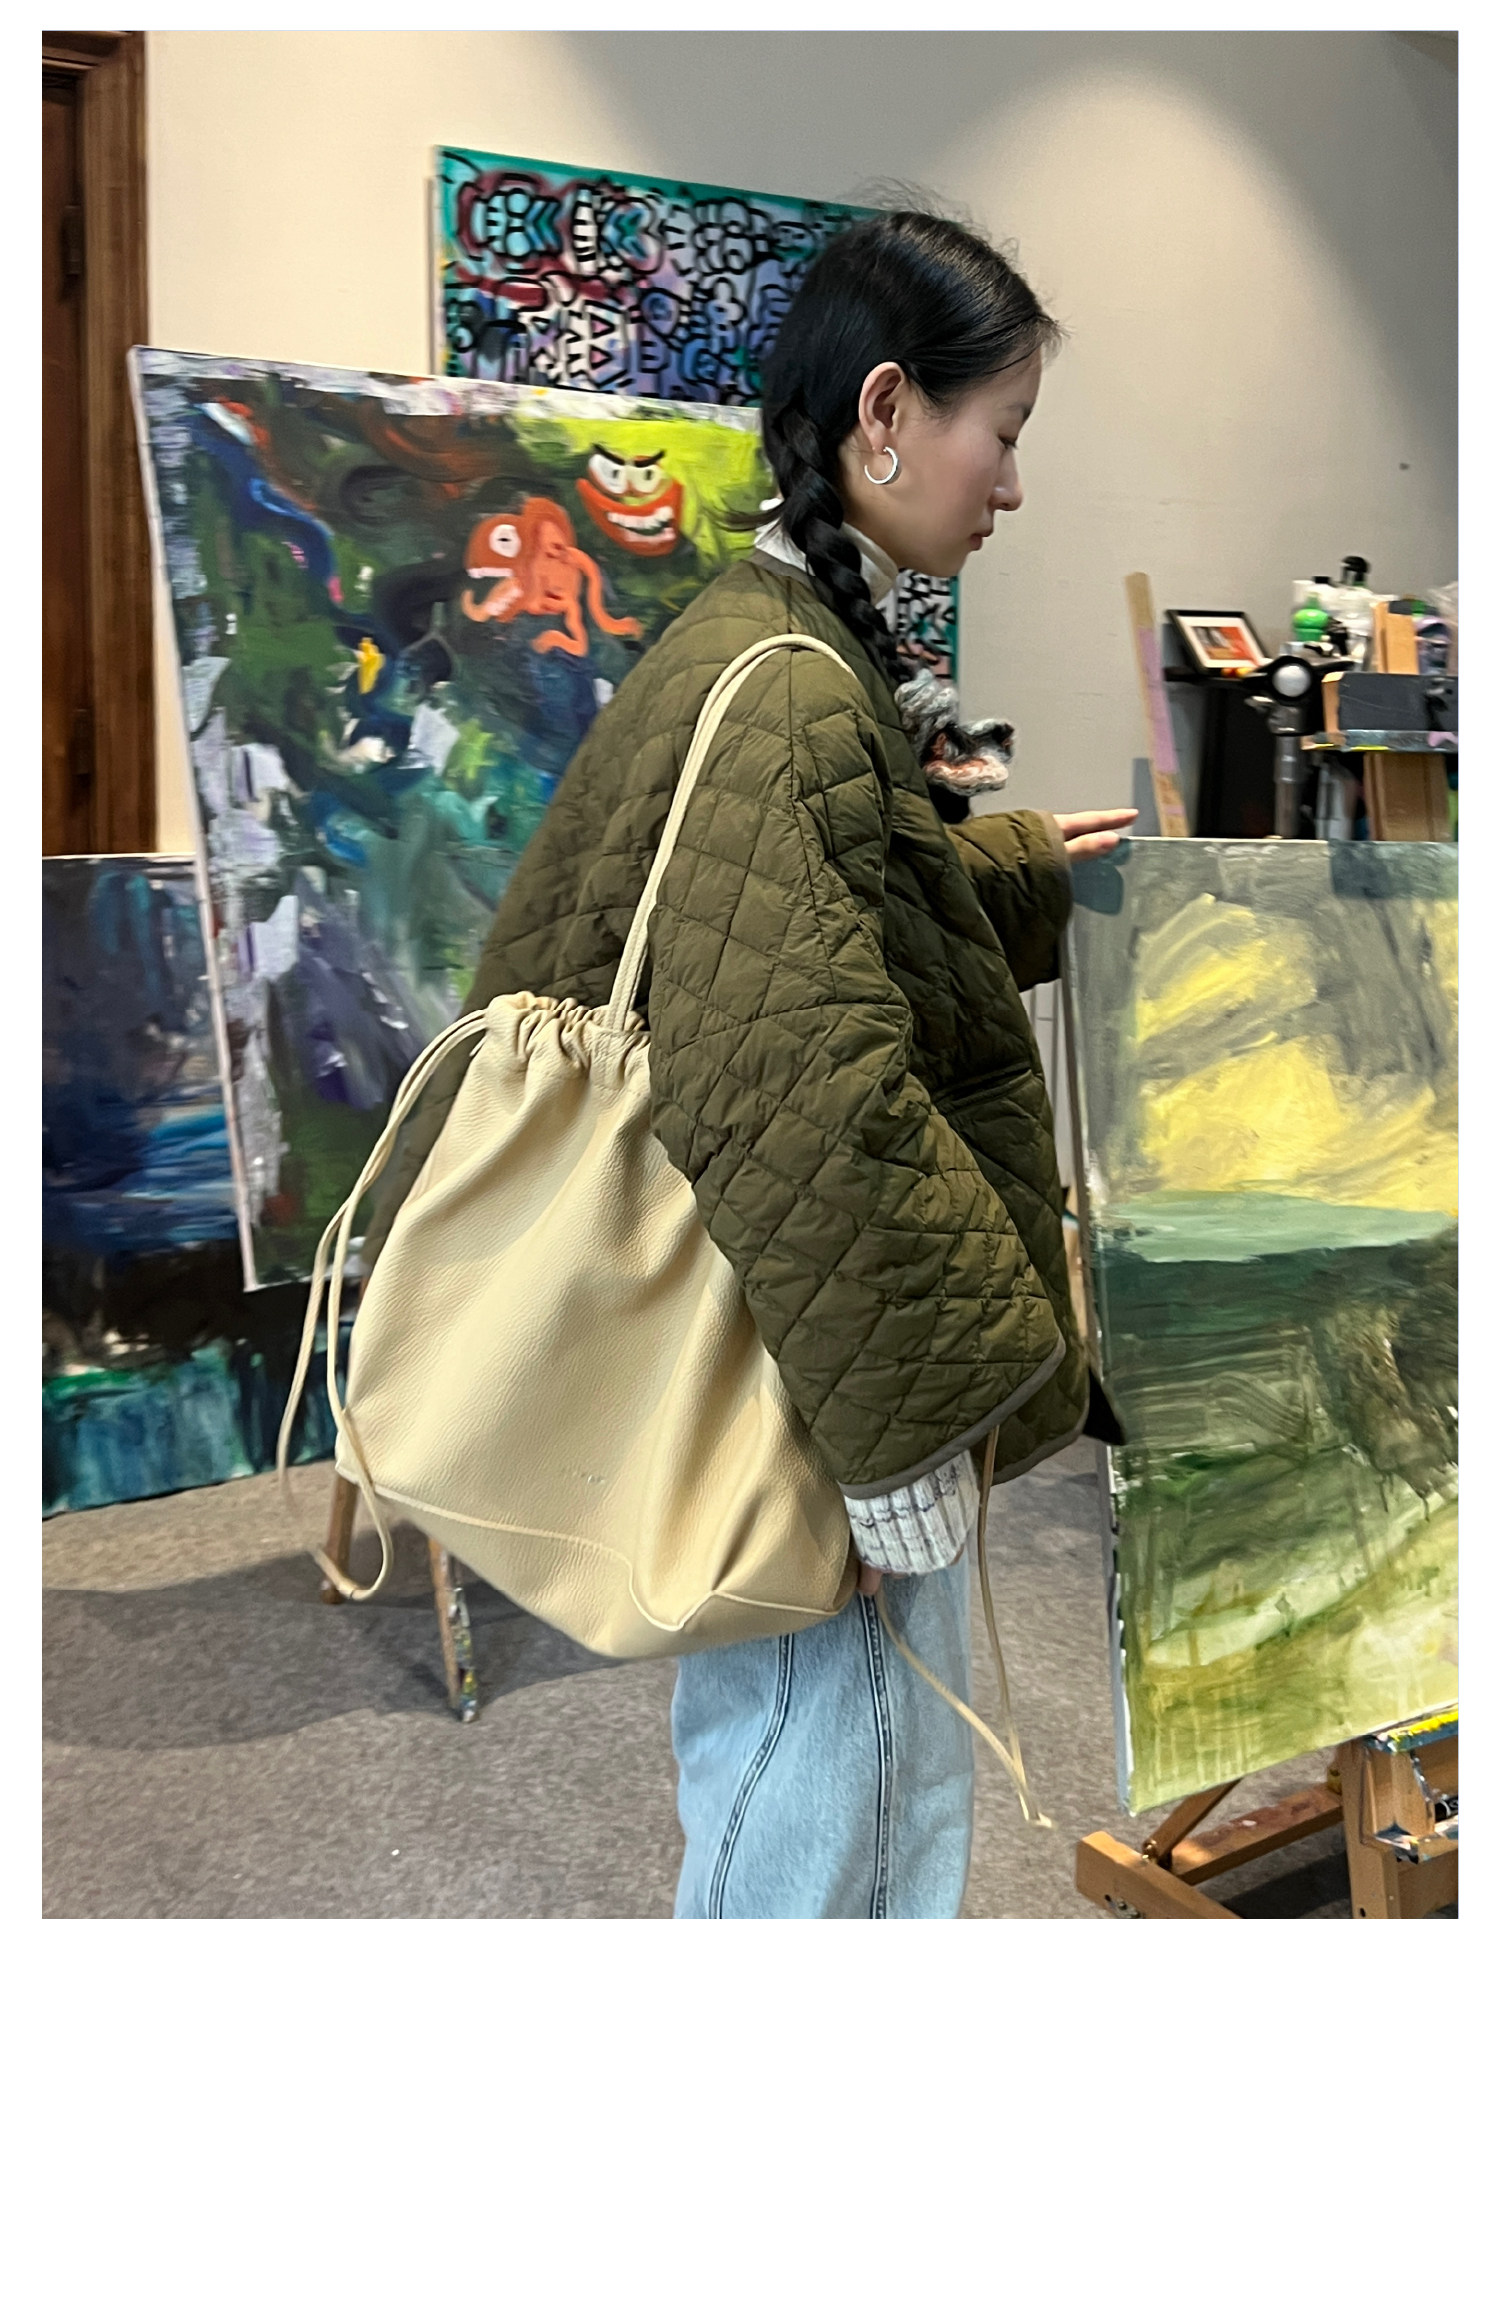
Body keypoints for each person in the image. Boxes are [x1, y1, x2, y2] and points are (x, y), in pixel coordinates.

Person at [363, 209, 1135, 1919]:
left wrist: (1006, 873)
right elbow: (802, 1090)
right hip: (807, 1365)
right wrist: (899, 1457)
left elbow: (806, 933)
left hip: (789, 1326)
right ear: (886, 411)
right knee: (829, 1799)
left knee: (810, 1777)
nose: (1011, 486)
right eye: (1001, 432)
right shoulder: (791, 691)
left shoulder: (763, 632)